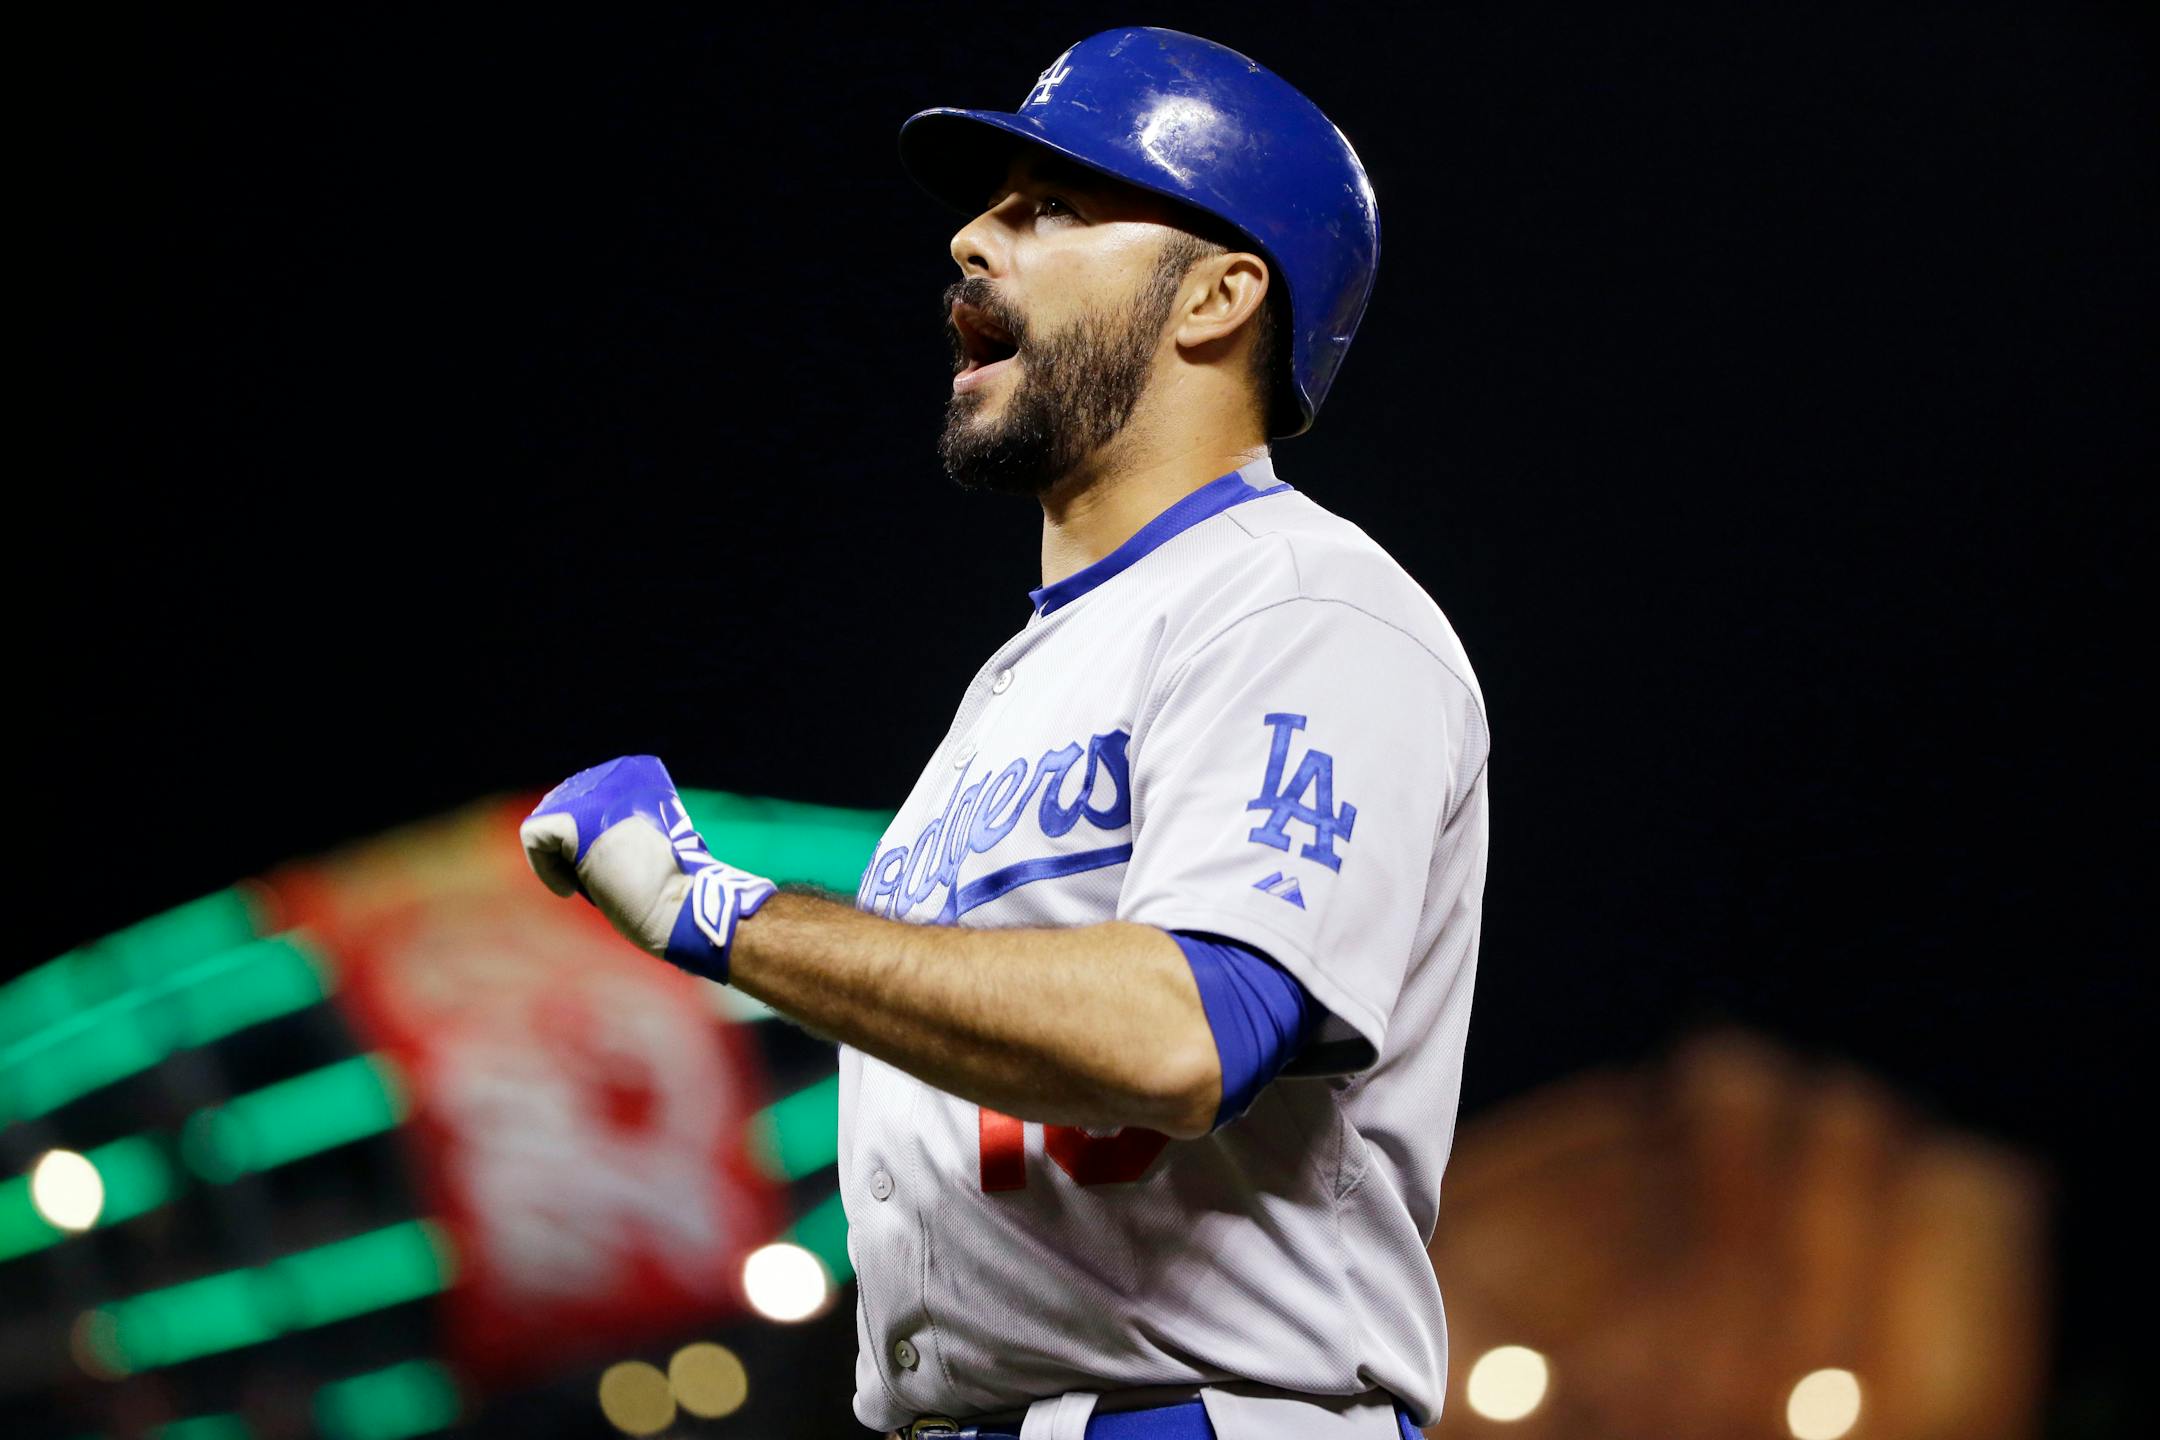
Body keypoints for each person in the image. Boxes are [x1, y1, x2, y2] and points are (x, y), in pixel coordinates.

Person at [520, 26, 1489, 1440]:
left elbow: (1191, 1029)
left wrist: (721, 911)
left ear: (1217, 296)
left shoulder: (1303, 605)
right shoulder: (1020, 687)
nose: (973, 239)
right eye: (992, 206)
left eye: (1055, 207)